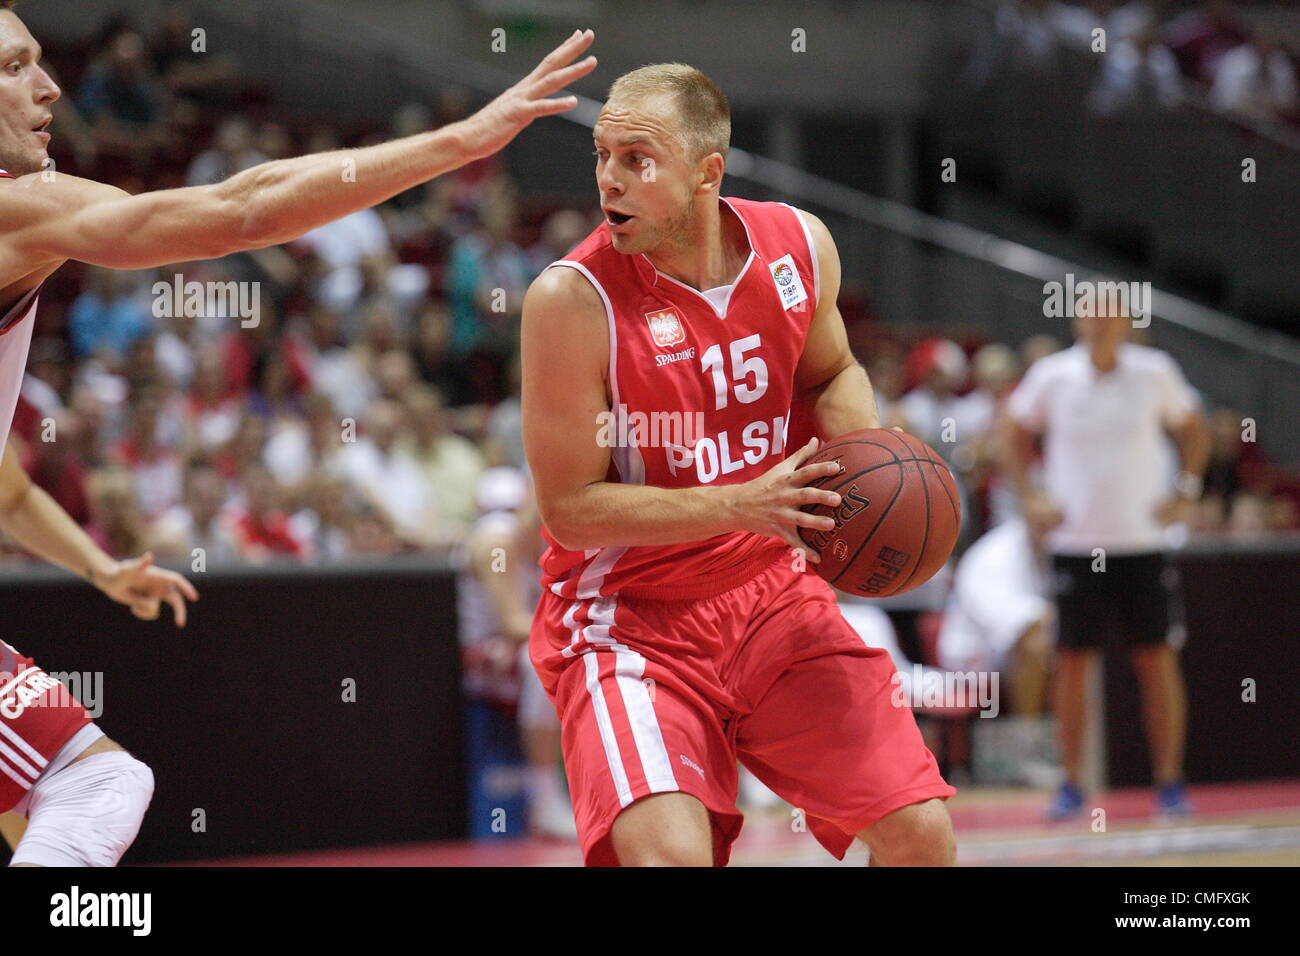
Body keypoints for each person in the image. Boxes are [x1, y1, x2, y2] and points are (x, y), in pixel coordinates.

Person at [0, 5, 598, 862]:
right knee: (94, 784)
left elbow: (6, 485)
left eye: (41, 61)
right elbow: (242, 209)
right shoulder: (16, 211)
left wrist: (97, 566)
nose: (49, 85)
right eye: (16, 66)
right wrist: (459, 142)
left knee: (41, 804)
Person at [522, 63, 955, 866]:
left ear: (706, 173)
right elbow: (570, 509)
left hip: (774, 596)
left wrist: (864, 472)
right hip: (631, 621)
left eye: (636, 160)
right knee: (670, 861)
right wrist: (738, 504)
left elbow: (832, 373)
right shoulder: (571, 301)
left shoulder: (799, 246)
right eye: (601, 154)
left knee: (920, 836)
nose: (607, 180)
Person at [1003, 298, 1210, 820]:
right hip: (1076, 543)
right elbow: (1011, 431)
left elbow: (1194, 428)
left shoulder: (1154, 372)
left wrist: (1187, 488)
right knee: (1071, 663)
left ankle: (1169, 783)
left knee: (1157, 658)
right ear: (1079, 319)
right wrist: (1030, 497)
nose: (1101, 323)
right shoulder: (1053, 376)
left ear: (1126, 322)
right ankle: (1072, 784)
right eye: (1093, 313)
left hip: (1142, 540)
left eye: (1112, 314)